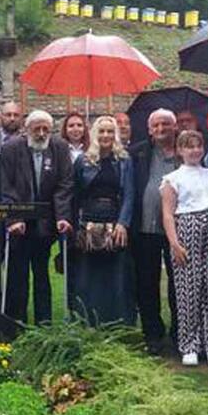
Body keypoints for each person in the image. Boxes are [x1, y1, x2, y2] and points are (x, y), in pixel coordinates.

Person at [161, 130, 208, 367]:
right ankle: (189, 345)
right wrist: (174, 243)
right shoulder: (173, 179)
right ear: (180, 151)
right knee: (188, 290)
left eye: (198, 146)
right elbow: (168, 215)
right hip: (186, 229)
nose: (194, 151)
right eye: (188, 147)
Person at [1, 110, 74, 324]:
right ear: (27, 129)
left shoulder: (59, 147)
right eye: (37, 129)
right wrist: (14, 218)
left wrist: (62, 216)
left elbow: (65, 184)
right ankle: (16, 322)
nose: (41, 134)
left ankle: (44, 323)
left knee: (42, 274)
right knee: (18, 274)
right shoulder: (11, 148)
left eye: (46, 130)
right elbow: (5, 186)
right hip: (19, 223)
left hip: (46, 223)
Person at [69, 115, 136, 326]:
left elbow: (129, 194)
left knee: (116, 276)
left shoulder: (124, 160)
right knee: (88, 276)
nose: (106, 135)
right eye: (102, 131)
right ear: (95, 134)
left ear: (115, 134)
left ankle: (117, 323)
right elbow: (75, 195)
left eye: (110, 131)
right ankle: (87, 320)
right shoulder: (83, 160)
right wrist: (75, 227)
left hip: (115, 223)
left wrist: (123, 224)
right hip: (88, 224)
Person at [128, 108, 181, 354]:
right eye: (156, 125)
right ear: (150, 129)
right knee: (146, 283)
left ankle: (180, 332)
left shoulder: (184, 150)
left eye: (166, 124)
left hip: (178, 231)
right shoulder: (138, 152)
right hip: (145, 227)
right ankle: (153, 334)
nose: (161, 129)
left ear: (175, 126)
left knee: (178, 283)